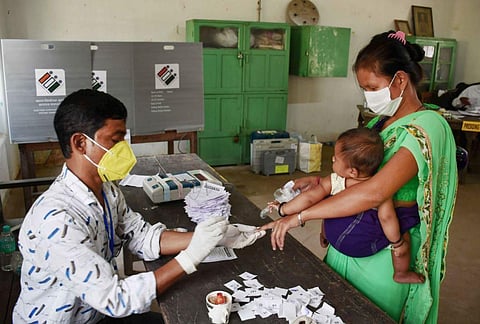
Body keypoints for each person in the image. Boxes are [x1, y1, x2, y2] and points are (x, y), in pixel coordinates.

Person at [13, 89, 265, 323]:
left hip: (95, 314)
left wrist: (214, 237)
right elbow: (117, 299)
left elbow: (142, 237)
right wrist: (189, 259)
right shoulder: (57, 219)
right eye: (115, 140)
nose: (125, 149)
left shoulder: (107, 190)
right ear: (80, 143)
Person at [261, 30, 457, 323]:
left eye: (372, 86)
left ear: (400, 80)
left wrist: (300, 217)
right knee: (330, 305)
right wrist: (319, 181)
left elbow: (374, 192)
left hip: (382, 246)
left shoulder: (428, 127)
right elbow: (356, 171)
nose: (368, 96)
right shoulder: (381, 122)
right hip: (347, 230)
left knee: (365, 313)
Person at [269, 127, 424, 284]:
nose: (332, 160)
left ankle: (327, 235)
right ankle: (400, 273)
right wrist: (397, 244)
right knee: (404, 234)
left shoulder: (336, 181)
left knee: (329, 201)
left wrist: (284, 209)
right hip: (360, 247)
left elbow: (310, 199)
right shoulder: (381, 190)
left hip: (334, 236)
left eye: (335, 159)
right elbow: (387, 218)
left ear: (352, 172)